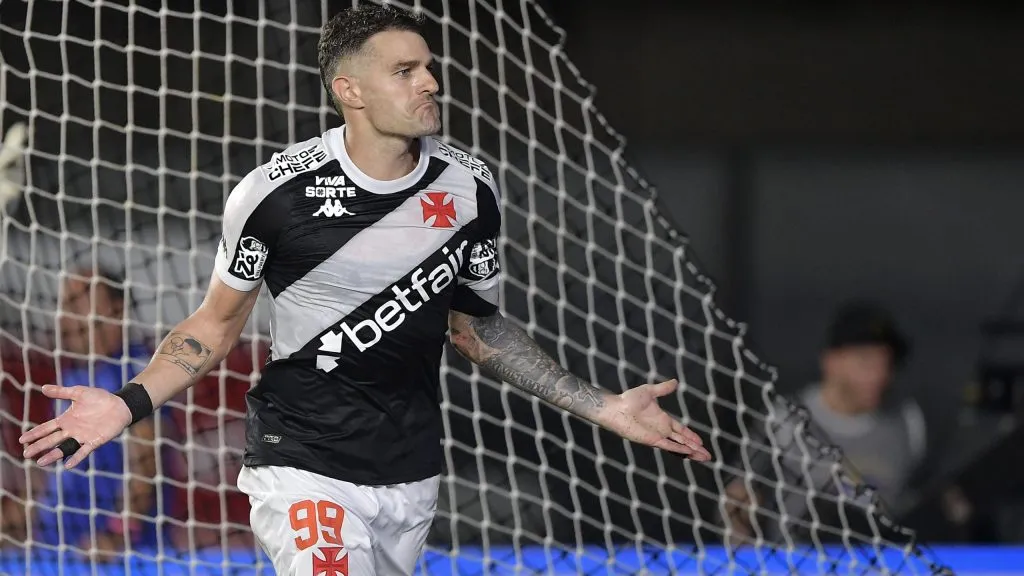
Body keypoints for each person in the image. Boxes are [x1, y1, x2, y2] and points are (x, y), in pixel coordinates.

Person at [20, 5, 711, 575]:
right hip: (300, 461)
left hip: (409, 473)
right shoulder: (275, 194)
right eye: (405, 71)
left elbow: (476, 328)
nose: (430, 83)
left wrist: (602, 406)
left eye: (429, 67)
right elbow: (215, 324)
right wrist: (126, 402)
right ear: (349, 91)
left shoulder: (470, 189)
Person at [723, 299, 926, 543]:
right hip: (798, 556)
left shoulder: (907, 421)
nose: (878, 375)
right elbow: (737, 494)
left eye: (886, 364)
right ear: (831, 362)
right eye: (865, 362)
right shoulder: (785, 419)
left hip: (882, 556)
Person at [16, 268, 166, 555]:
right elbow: (50, 474)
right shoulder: (73, 378)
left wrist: (117, 535)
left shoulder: (137, 375)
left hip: (118, 558)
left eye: (76, 303)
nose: (65, 315)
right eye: (64, 304)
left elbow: (147, 465)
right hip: (57, 550)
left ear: (116, 310)